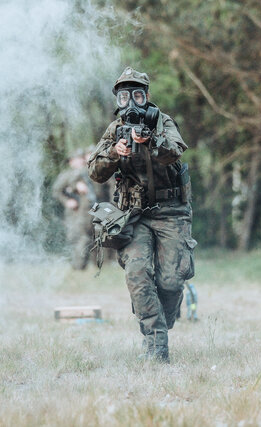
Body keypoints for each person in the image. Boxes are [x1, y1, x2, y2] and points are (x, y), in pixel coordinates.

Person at [87, 67, 197, 363]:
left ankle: (162, 322)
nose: (132, 102)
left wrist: (152, 142)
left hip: (170, 212)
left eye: (137, 95)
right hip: (133, 214)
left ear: (146, 96)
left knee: (171, 282)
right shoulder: (114, 130)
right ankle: (156, 344)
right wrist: (114, 153)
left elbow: (175, 151)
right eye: (125, 96)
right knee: (138, 275)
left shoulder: (162, 122)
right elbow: (94, 172)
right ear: (119, 100)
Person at [52, 150, 101, 270]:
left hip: (93, 209)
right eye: (76, 159)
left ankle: (95, 265)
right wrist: (67, 200)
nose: (80, 161)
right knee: (79, 237)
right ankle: (79, 266)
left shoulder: (91, 171)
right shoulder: (67, 175)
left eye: (81, 158)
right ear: (71, 162)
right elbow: (57, 191)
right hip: (77, 212)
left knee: (94, 237)